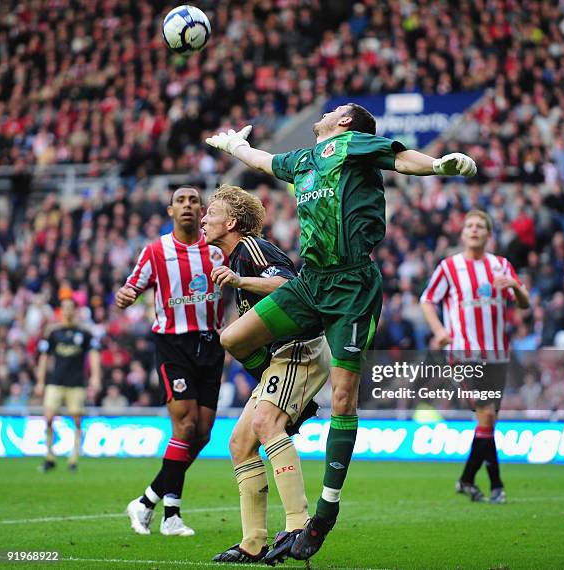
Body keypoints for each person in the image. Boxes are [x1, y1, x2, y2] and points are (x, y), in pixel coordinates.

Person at [205, 103, 477, 560]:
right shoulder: (305, 160)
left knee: (345, 398)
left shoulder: (352, 144)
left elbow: (404, 158)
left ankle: (323, 516)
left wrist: (438, 166)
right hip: (312, 282)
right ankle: (296, 402)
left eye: (335, 109)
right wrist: (236, 146)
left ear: (345, 121)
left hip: (353, 284)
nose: (327, 111)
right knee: (233, 338)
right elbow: (263, 162)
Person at [202, 185, 330, 565]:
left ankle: (297, 525)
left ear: (233, 222)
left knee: (265, 422)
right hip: (279, 358)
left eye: (212, 212)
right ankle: (253, 542)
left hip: (299, 349)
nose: (205, 219)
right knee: (240, 443)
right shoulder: (233, 259)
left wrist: (240, 282)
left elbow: (292, 287)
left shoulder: (251, 249)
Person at [116, 185, 225, 537]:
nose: (188, 206)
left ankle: (147, 502)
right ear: (170, 211)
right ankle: (171, 516)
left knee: (203, 434)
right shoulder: (156, 250)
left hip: (211, 343)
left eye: (194, 201)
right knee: (185, 427)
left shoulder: (217, 249)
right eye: (181, 201)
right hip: (173, 345)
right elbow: (132, 286)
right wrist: (126, 295)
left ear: (203, 209)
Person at [420, 209, 530, 504]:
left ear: (488, 234)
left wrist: (516, 288)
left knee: (487, 422)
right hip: (462, 354)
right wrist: (439, 330)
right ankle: (497, 485)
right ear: (463, 232)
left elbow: (525, 303)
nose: (474, 229)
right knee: (487, 415)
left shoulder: (501, 265)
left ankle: (467, 480)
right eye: (469, 225)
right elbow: (427, 300)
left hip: (497, 355)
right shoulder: (449, 267)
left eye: (480, 226)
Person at [35, 297, 102, 472]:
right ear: (61, 311)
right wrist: (40, 381)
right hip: (55, 381)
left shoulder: (85, 333)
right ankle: (49, 457)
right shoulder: (53, 332)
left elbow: (94, 354)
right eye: (65, 308)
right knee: (48, 418)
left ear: (75, 311)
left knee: (77, 421)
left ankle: (73, 459)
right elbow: (43, 357)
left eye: (71, 308)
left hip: (76, 383)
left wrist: (95, 376)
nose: (68, 311)